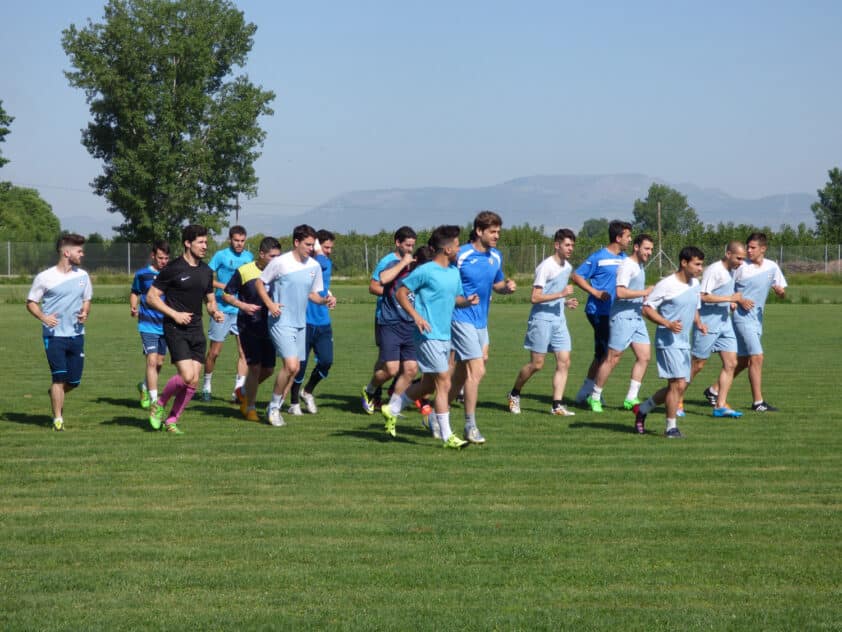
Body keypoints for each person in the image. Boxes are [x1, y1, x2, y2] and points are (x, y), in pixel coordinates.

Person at [383, 225, 479, 448]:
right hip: (427, 334)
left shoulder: (454, 272)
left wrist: (468, 300)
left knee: (427, 385)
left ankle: (393, 408)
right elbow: (401, 292)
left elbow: (455, 298)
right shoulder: (426, 271)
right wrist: (416, 316)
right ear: (446, 249)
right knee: (444, 382)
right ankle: (448, 437)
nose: (459, 249)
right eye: (456, 245)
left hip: (445, 335)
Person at [146, 224, 224, 434]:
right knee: (187, 375)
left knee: (193, 381)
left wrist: (214, 311)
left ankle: (172, 420)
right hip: (175, 328)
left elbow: (209, 301)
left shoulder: (207, 271)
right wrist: (174, 314)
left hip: (197, 329)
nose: (205, 246)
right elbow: (151, 297)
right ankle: (159, 404)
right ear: (187, 243)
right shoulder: (172, 268)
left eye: (206, 242)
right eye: (200, 242)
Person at [257, 224, 336, 427]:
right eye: (308, 244)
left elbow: (313, 294)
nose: (311, 248)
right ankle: (273, 408)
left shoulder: (314, 266)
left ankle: (279, 403)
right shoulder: (280, 262)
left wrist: (325, 300)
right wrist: (270, 304)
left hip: (301, 323)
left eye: (313, 245)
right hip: (280, 321)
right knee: (291, 365)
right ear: (296, 242)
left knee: (295, 369)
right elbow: (260, 283)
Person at [448, 211, 517, 444]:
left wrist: (505, 288)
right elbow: (445, 279)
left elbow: (496, 283)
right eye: (493, 231)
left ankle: (438, 416)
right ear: (479, 231)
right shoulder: (462, 254)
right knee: (477, 371)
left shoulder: (495, 256)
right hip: (460, 317)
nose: (497, 236)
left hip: (481, 322)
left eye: (499, 231)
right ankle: (470, 425)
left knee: (460, 375)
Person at [634, 246, 707, 438]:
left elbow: (695, 307)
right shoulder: (666, 284)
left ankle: (643, 408)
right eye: (697, 264)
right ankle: (671, 428)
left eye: (702, 264)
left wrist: (699, 323)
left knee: (678, 386)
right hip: (668, 341)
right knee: (677, 384)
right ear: (684, 263)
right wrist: (666, 323)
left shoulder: (695, 284)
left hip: (684, 342)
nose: (700, 268)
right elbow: (647, 308)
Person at [507, 229, 579, 416]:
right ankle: (514, 393)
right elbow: (535, 297)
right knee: (537, 364)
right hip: (541, 319)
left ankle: (557, 405)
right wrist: (562, 294)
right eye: (567, 245)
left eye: (572, 245)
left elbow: (554, 293)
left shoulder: (568, 267)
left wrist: (565, 302)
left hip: (559, 320)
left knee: (564, 361)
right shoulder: (545, 267)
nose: (570, 248)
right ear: (557, 245)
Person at [26, 233, 93, 431]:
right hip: (53, 335)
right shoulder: (45, 277)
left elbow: (86, 299)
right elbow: (31, 303)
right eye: (79, 251)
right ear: (67, 252)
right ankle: (58, 419)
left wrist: (85, 312)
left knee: (74, 381)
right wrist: (44, 318)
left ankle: (55, 393)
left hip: (77, 334)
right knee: (59, 378)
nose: (82, 254)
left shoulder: (83, 276)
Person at [586, 234, 655, 413]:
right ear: (637, 247)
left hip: (637, 317)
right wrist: (644, 292)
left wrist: (646, 296)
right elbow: (620, 293)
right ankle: (594, 397)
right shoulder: (627, 266)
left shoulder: (639, 266)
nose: (650, 252)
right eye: (647, 248)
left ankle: (631, 398)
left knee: (644, 356)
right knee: (612, 358)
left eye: (651, 249)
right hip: (622, 318)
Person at [571, 220, 632, 404]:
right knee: (605, 354)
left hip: (616, 312)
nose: (630, 240)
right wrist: (595, 292)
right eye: (627, 236)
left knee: (604, 354)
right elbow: (577, 276)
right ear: (618, 237)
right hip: (599, 311)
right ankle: (589, 392)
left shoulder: (625, 259)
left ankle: (588, 391)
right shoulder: (599, 257)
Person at [222, 236, 282, 422]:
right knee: (254, 367)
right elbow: (226, 294)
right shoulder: (245, 271)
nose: (276, 260)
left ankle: (244, 391)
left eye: (278, 256)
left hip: (271, 326)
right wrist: (242, 305)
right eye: (272, 256)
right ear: (261, 254)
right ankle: (250, 407)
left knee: (269, 369)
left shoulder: (280, 272)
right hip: (249, 325)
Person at [361, 226, 417, 413]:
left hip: (406, 320)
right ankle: (373, 391)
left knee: (403, 366)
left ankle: (390, 402)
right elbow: (373, 287)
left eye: (412, 245)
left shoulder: (413, 263)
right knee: (388, 364)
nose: (410, 249)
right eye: (407, 245)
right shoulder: (388, 261)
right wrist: (394, 295)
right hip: (386, 318)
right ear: (397, 243)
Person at [690, 240, 749, 418]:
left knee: (731, 363)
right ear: (728, 254)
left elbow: (724, 296)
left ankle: (720, 405)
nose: (741, 262)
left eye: (743, 259)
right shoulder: (714, 270)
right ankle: (676, 397)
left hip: (725, 323)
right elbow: (703, 297)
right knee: (698, 364)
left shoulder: (732, 271)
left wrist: (730, 303)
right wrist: (730, 298)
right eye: (738, 258)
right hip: (708, 323)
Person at [730, 232, 787, 412]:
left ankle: (714, 390)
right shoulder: (740, 267)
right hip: (741, 317)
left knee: (743, 361)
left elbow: (782, 290)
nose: (749, 250)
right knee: (757, 357)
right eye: (748, 247)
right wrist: (736, 301)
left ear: (763, 249)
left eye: (753, 247)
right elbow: (726, 290)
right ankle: (758, 402)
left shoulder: (772, 267)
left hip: (757, 319)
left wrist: (780, 292)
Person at [201, 225, 254, 402]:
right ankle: (207, 386)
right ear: (230, 239)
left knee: (244, 353)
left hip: (241, 310)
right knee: (214, 352)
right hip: (222, 310)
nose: (239, 244)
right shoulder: (220, 256)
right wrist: (224, 287)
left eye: (242, 241)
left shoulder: (249, 257)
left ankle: (237, 391)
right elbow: (205, 276)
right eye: (236, 240)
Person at [289, 229, 337, 415]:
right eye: (326, 247)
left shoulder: (324, 262)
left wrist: (330, 296)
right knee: (300, 364)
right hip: (304, 320)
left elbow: (323, 284)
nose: (329, 251)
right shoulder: (309, 262)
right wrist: (317, 251)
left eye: (331, 248)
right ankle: (293, 403)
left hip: (323, 321)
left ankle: (307, 392)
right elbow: (320, 265)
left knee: (326, 360)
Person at [130, 240, 170, 409]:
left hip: (166, 324)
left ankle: (145, 387)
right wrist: (133, 305)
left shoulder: (170, 274)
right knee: (152, 361)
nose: (163, 262)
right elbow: (135, 292)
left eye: (166, 258)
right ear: (153, 255)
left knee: (159, 363)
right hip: (147, 324)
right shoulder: (142, 274)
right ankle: (154, 401)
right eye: (161, 258)